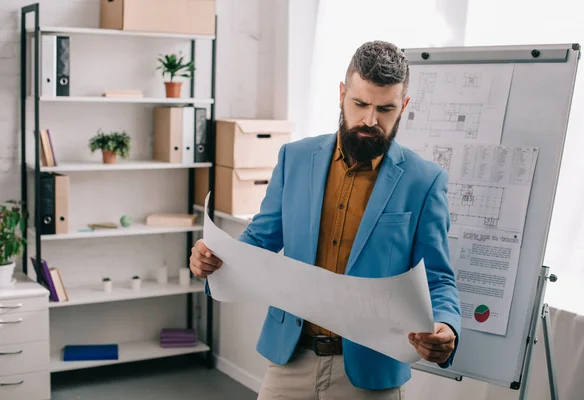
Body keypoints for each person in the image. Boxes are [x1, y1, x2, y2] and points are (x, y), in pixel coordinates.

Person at [190, 40, 461, 399]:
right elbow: (259, 241)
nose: (370, 120)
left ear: (404, 107)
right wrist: (213, 260)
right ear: (341, 94)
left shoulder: (424, 181)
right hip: (290, 358)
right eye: (360, 104)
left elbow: (438, 278)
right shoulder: (295, 158)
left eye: (385, 109)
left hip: (371, 372)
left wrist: (445, 326)